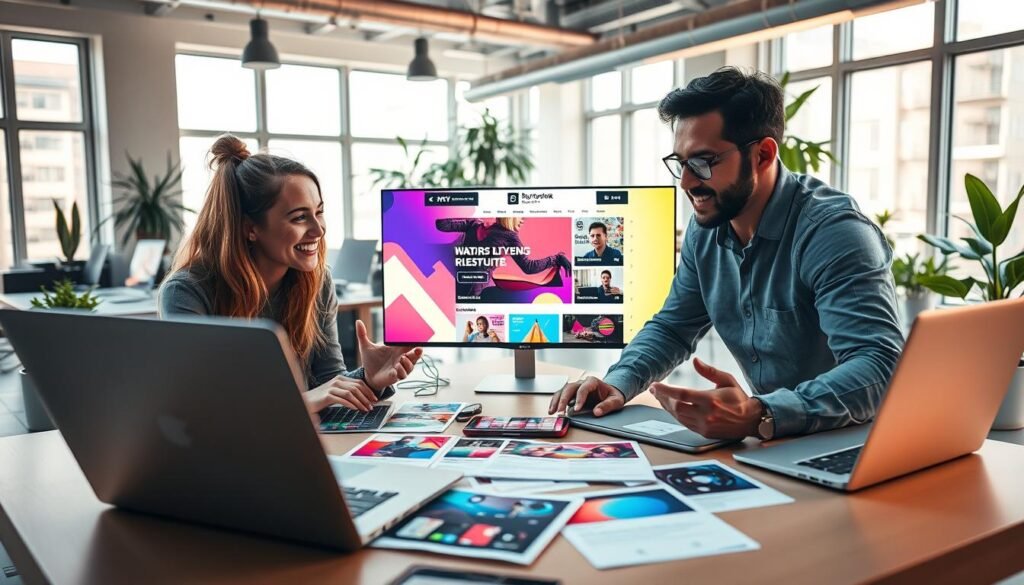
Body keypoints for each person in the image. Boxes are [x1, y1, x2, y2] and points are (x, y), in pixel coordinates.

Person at [550, 67, 904, 442]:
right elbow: (673, 328)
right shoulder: (706, 229)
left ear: (763, 154)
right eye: (681, 163)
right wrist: (618, 383)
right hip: (775, 440)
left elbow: (879, 367)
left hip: (860, 440)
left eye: (703, 162)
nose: (686, 182)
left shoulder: (834, 234)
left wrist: (760, 412)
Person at [159, 135, 422, 416]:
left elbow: (328, 383)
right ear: (250, 228)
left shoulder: (316, 281)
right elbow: (202, 407)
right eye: (299, 217)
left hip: (299, 435)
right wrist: (304, 401)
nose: (318, 230)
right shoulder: (187, 292)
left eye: (319, 212)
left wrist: (369, 378)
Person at [436, 217, 571, 298]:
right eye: (520, 215)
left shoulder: (475, 224)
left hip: (458, 286)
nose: (523, 220)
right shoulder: (508, 235)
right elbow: (529, 267)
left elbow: (441, 224)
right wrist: (556, 259)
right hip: (468, 290)